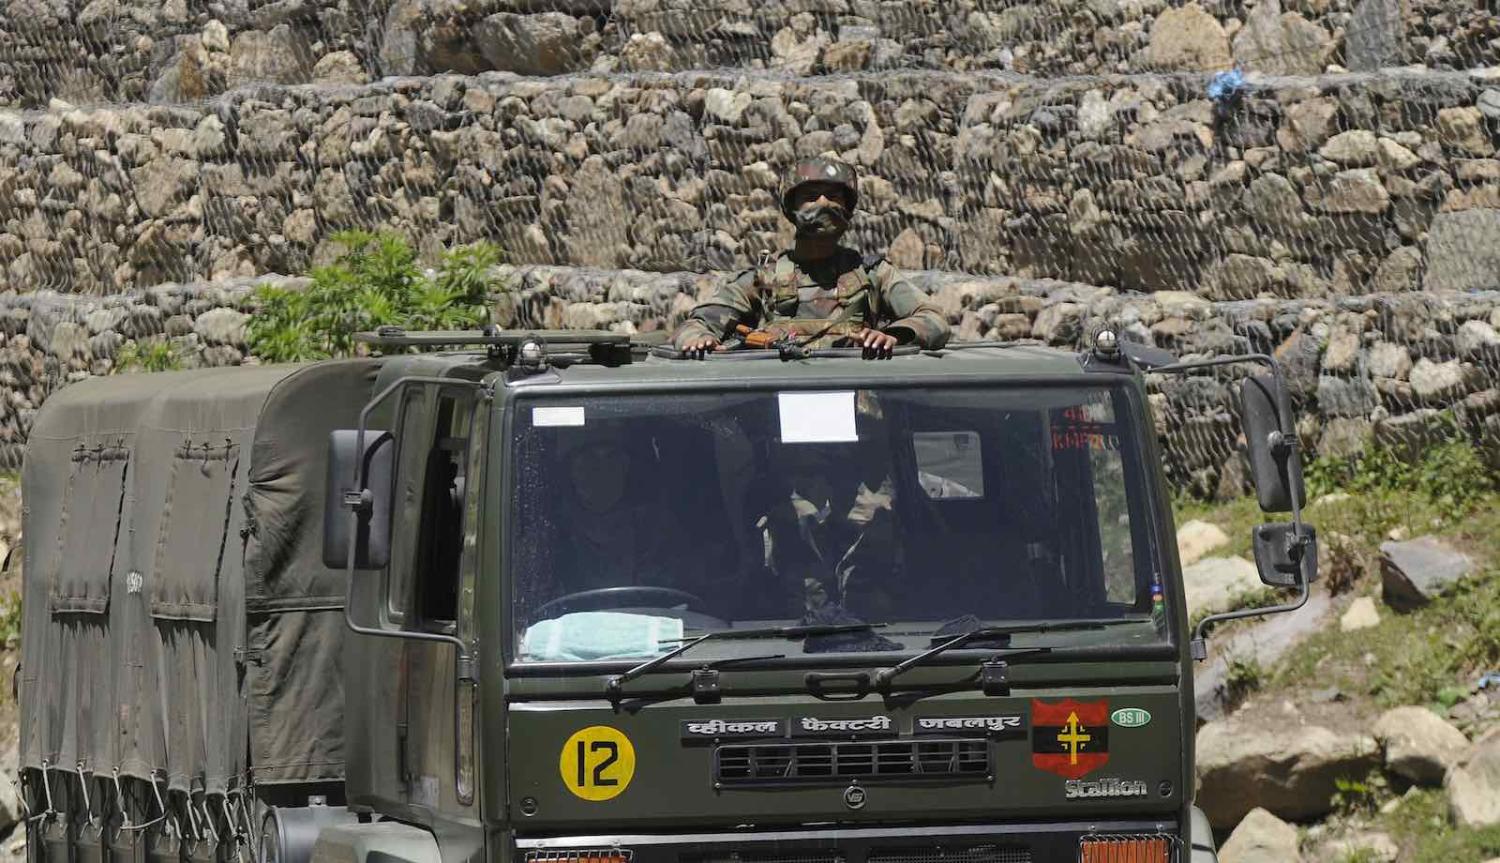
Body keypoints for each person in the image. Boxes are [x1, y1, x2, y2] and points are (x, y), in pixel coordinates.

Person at [673, 156, 951, 359]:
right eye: (811, 196)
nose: (824, 204)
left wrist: (895, 335)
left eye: (833, 196)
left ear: (848, 208)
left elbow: (935, 320)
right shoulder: (765, 279)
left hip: (859, 399)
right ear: (791, 210)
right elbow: (696, 324)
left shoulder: (873, 273)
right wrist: (700, 339)